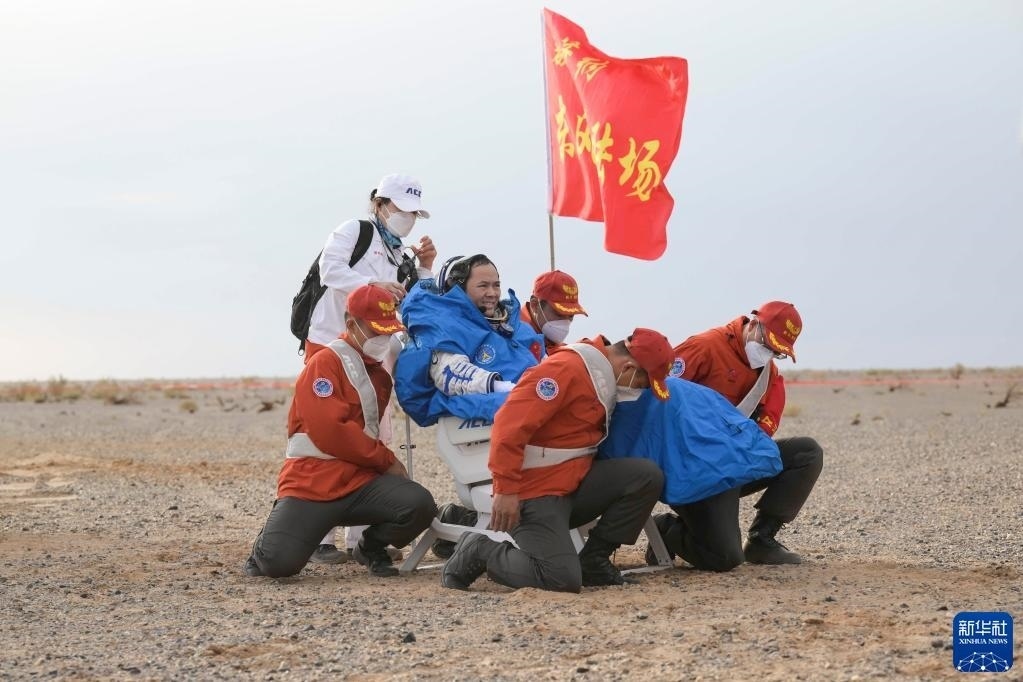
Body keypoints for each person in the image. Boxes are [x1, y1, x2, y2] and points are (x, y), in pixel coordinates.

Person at [440, 329, 674, 593]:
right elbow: (509, 425)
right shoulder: (566, 369)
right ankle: (479, 550)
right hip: (536, 492)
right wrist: (505, 489)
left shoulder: (601, 375)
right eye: (643, 383)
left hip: (571, 483)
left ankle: (594, 562)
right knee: (560, 578)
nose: (640, 390)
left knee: (645, 476)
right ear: (628, 367)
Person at [244, 285, 437, 578]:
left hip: (360, 483)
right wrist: (386, 461)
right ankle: (270, 540)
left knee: (419, 505)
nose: (383, 339)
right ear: (351, 324)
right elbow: (332, 431)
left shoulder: (378, 374)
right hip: (313, 484)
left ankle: (370, 547)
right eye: (376, 331)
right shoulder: (324, 363)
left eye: (388, 332)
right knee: (277, 565)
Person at [305, 173, 437, 563]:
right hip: (330, 341)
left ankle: (361, 538)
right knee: (327, 432)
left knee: (375, 432)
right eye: (401, 209)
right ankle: (319, 536)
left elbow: (413, 303)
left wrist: (425, 268)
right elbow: (330, 270)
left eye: (414, 213)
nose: (407, 218)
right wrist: (375, 285)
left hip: (374, 349)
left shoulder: (400, 255)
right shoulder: (355, 231)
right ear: (379, 204)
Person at [650, 301, 824, 568]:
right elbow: (658, 399)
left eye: (777, 352)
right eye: (768, 345)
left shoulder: (768, 375)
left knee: (806, 453)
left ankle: (761, 539)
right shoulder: (703, 348)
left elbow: (763, 429)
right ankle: (666, 531)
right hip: (694, 468)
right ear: (753, 325)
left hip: (730, 463)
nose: (769, 355)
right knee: (725, 558)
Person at [394, 254, 545, 427]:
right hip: (494, 415)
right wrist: (507, 388)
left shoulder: (514, 325)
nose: (492, 293)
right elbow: (450, 374)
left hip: (530, 401)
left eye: (496, 285)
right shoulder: (441, 325)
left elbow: (544, 364)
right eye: (483, 286)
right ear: (456, 288)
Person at [521, 270, 588, 353]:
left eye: (571, 316)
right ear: (535, 305)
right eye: (559, 314)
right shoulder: (512, 339)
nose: (565, 323)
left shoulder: (552, 345)